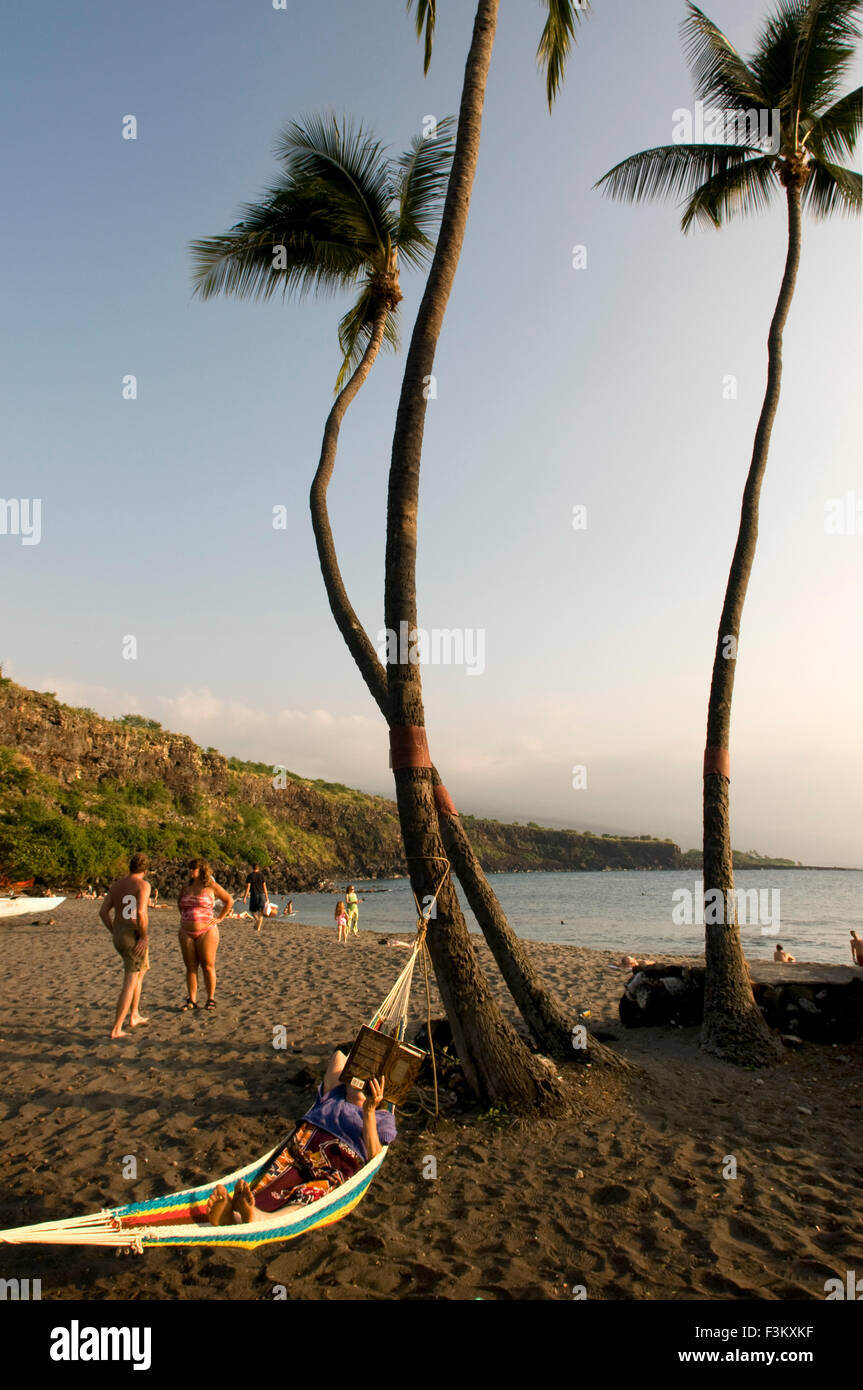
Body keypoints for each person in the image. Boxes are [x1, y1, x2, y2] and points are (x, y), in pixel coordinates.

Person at [206, 1053, 395, 1225]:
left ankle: (262, 1218)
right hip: (302, 1150)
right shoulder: (335, 1096)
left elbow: (374, 1155)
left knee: (316, 1190)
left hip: (338, 1162)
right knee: (276, 1180)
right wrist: (366, 1053)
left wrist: (369, 1110)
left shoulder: (382, 1116)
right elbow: (338, 1056)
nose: (360, 1082)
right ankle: (235, 1216)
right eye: (356, 1077)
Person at [99, 852, 151, 1039]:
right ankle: (116, 1028)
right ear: (145, 869)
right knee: (130, 981)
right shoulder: (143, 885)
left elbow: (103, 912)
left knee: (139, 973)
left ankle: (134, 1014)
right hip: (133, 934)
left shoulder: (117, 886)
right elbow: (141, 912)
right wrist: (143, 937)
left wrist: (113, 929)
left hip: (119, 932)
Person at [178, 859, 233, 1011]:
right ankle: (192, 999)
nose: (190, 871)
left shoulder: (211, 886)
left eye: (193, 868)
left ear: (201, 870)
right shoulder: (186, 887)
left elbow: (229, 900)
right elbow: (179, 903)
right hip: (186, 931)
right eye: (189, 868)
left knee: (208, 965)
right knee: (190, 966)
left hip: (207, 931)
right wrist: (186, 918)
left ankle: (210, 998)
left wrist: (220, 918)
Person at [243, 863, 269, 933]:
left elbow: (248, 887)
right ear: (258, 868)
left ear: (252, 868)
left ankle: (257, 922)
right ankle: (258, 927)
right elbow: (264, 887)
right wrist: (267, 897)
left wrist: (245, 897)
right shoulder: (262, 875)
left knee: (252, 911)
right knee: (261, 913)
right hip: (262, 895)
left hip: (254, 896)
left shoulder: (250, 876)